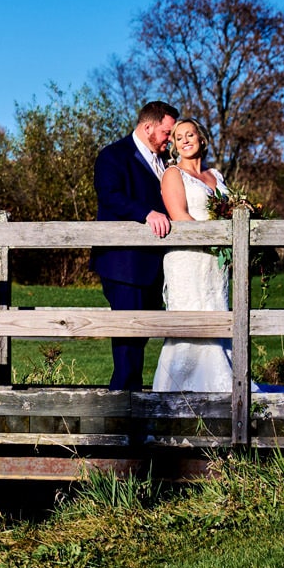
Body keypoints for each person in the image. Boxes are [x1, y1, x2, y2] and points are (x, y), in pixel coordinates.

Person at [92, 100, 178, 390]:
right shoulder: (114, 156)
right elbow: (110, 195)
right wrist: (146, 213)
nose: (171, 139)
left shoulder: (163, 161)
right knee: (128, 343)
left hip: (151, 265)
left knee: (139, 341)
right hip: (124, 264)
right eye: (167, 132)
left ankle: (135, 409)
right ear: (148, 127)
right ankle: (122, 413)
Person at [152, 119, 234, 392]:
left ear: (201, 139)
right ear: (174, 145)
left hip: (216, 264)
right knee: (190, 320)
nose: (185, 140)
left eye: (190, 134)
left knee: (217, 312)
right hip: (189, 258)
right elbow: (180, 217)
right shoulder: (173, 174)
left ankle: (223, 386)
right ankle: (178, 392)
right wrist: (219, 243)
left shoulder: (216, 176)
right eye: (178, 137)